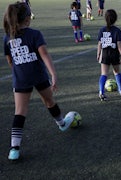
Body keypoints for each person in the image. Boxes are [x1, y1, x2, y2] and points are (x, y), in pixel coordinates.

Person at [3, 2, 74, 161]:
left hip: (20, 78)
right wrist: (53, 74)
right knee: (49, 101)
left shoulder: (8, 36)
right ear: (28, 18)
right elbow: (45, 56)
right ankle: (61, 123)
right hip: (39, 76)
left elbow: (10, 60)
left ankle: (14, 149)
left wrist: (20, 70)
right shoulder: (35, 34)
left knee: (19, 112)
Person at [97, 9, 121, 101]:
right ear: (115, 19)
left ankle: (101, 92)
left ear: (105, 18)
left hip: (105, 53)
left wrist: (98, 54)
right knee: (116, 72)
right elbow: (119, 44)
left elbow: (99, 44)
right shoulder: (117, 30)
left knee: (104, 73)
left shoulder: (102, 30)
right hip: (114, 54)